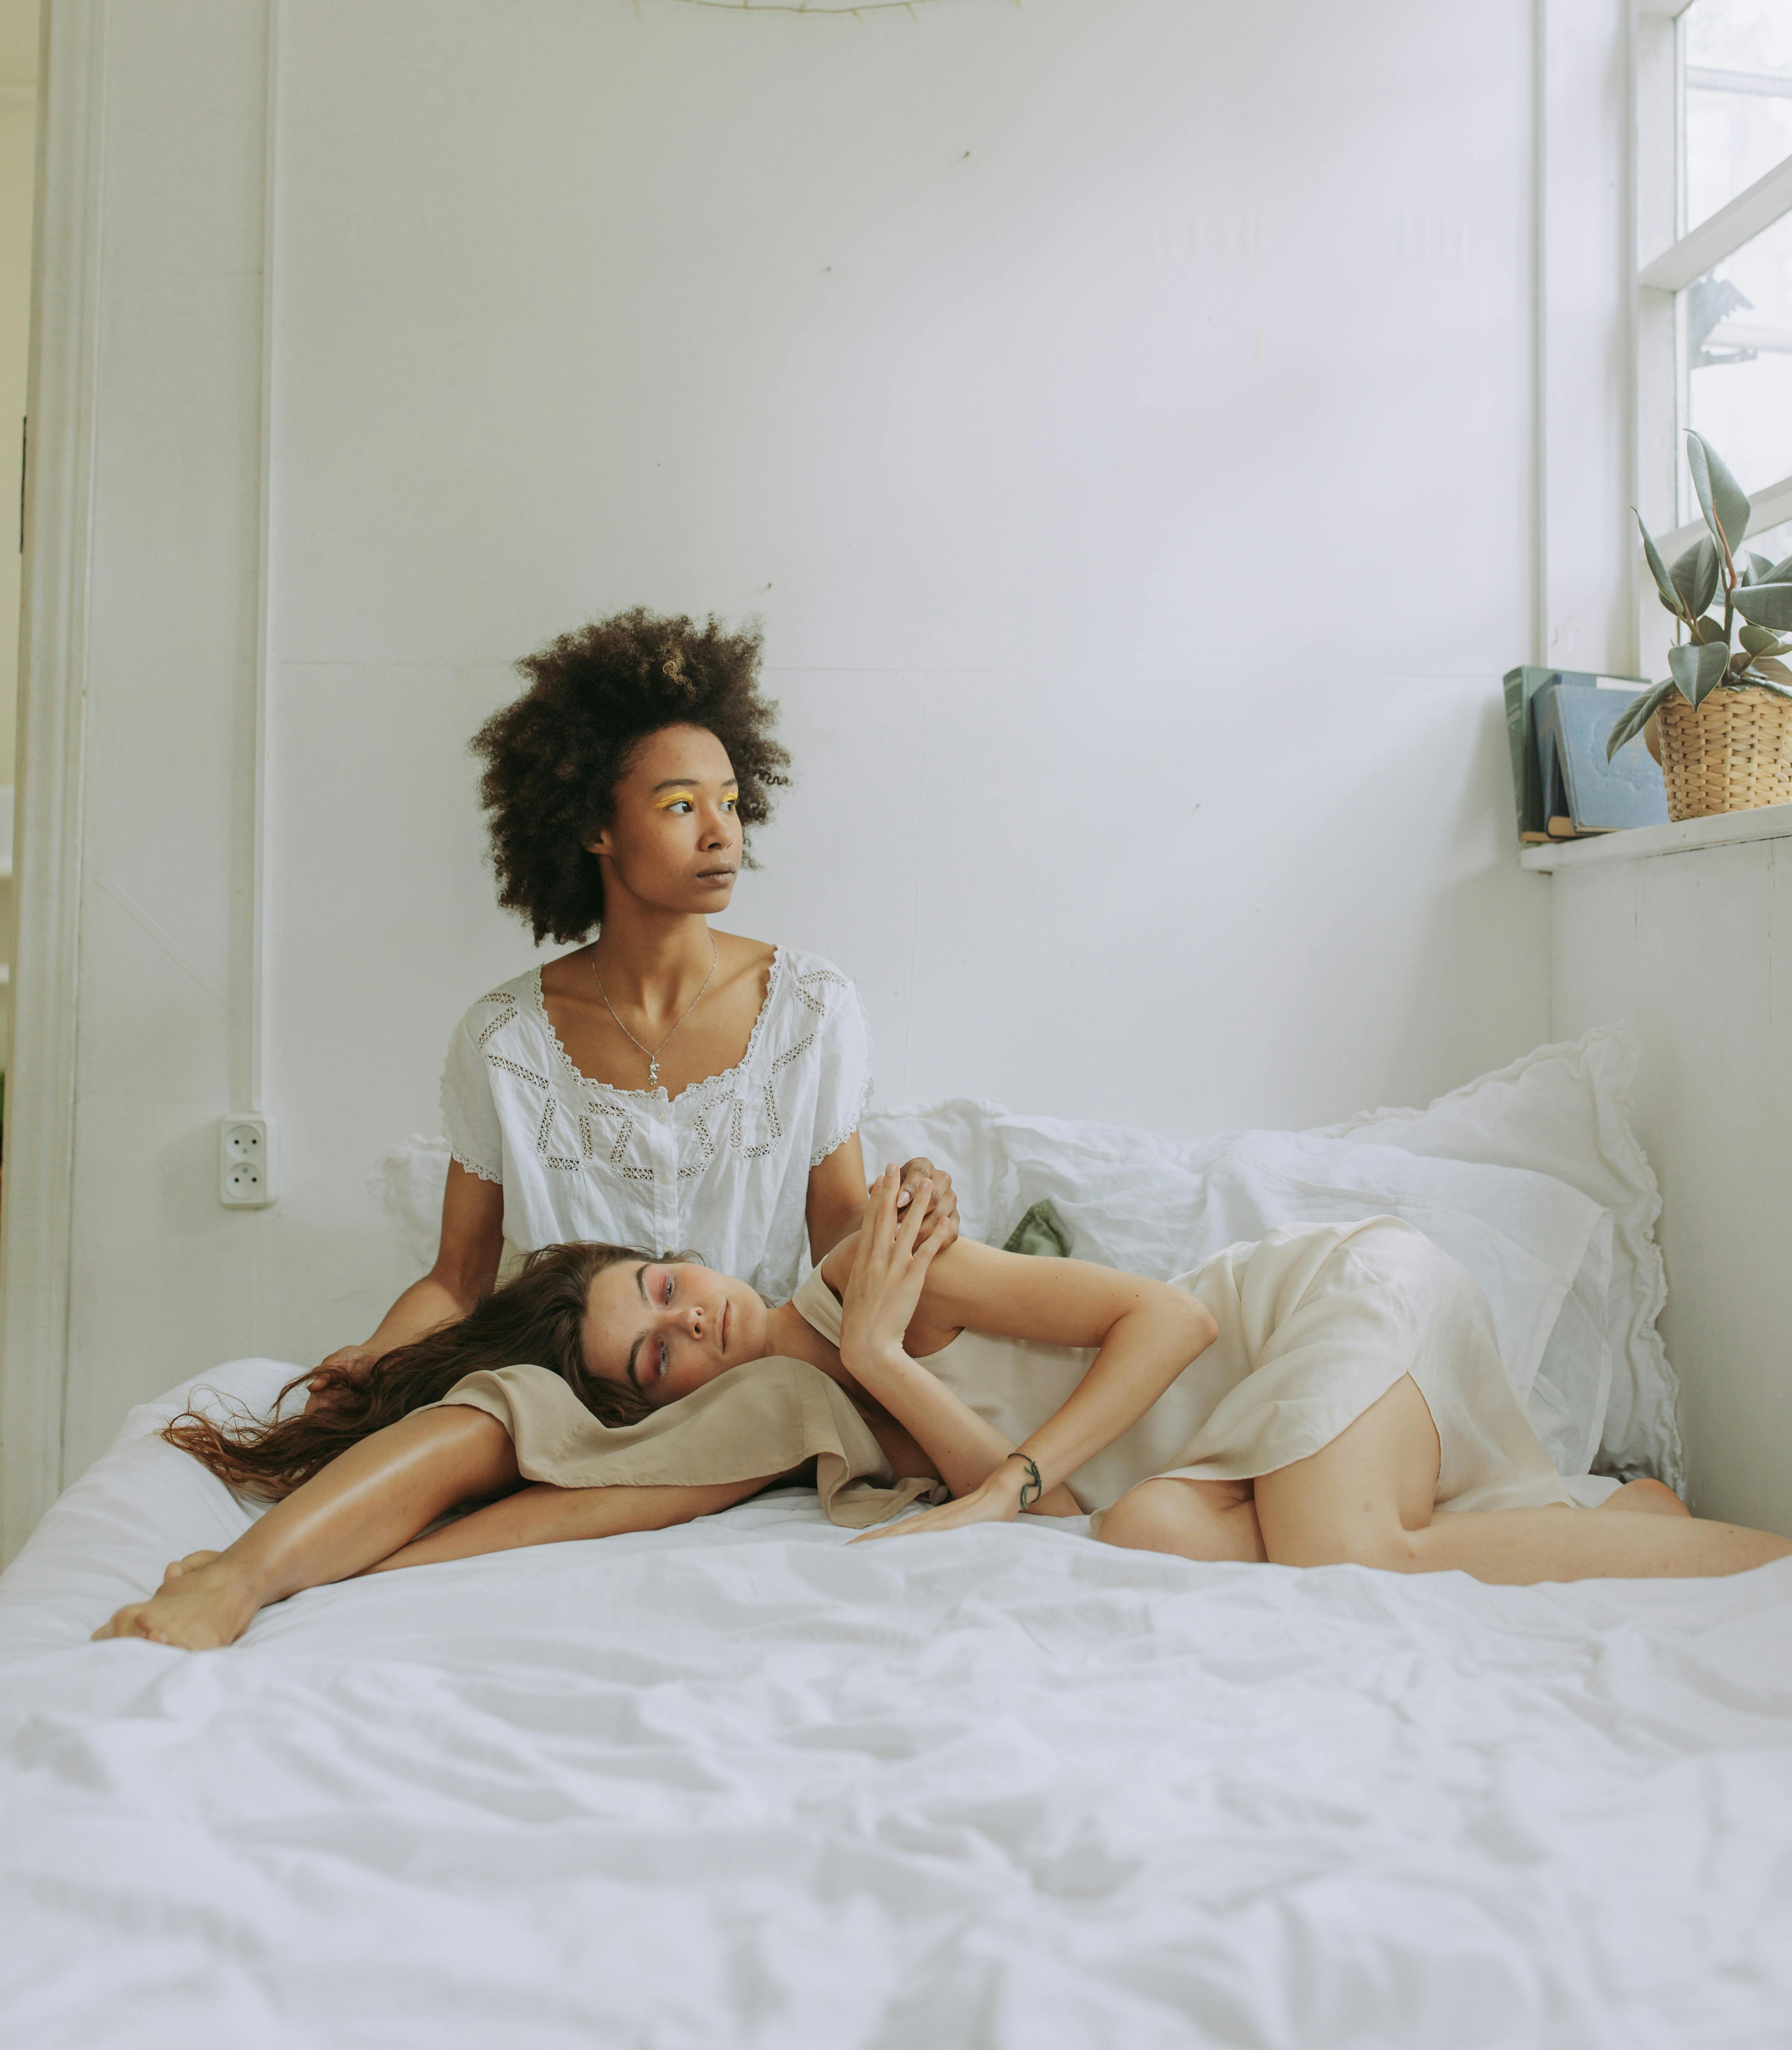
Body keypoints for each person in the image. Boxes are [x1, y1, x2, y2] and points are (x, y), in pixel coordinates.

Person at [97, 1170, 1790, 1650]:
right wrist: (344, 1565)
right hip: (1212, 1455)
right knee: (1142, 1530)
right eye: (655, 1355)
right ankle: (1616, 1523)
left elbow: (1175, 1310)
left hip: (1321, 1304)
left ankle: (1753, 1557)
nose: (694, 1326)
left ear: (695, 1252)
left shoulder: (861, 1267)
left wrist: (900, 1346)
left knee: (1351, 1554)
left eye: (670, 1286)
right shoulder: (799, 1412)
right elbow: (1043, 1505)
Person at [313, 608, 957, 1400]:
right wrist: (371, 1358)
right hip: (567, 1400)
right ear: (594, 828)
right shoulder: (505, 1038)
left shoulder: (810, 1008)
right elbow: (457, 1282)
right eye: (681, 806)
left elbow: (838, 1239)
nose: (722, 834)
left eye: (730, 801)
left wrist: (909, 1214)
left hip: (751, 1392)